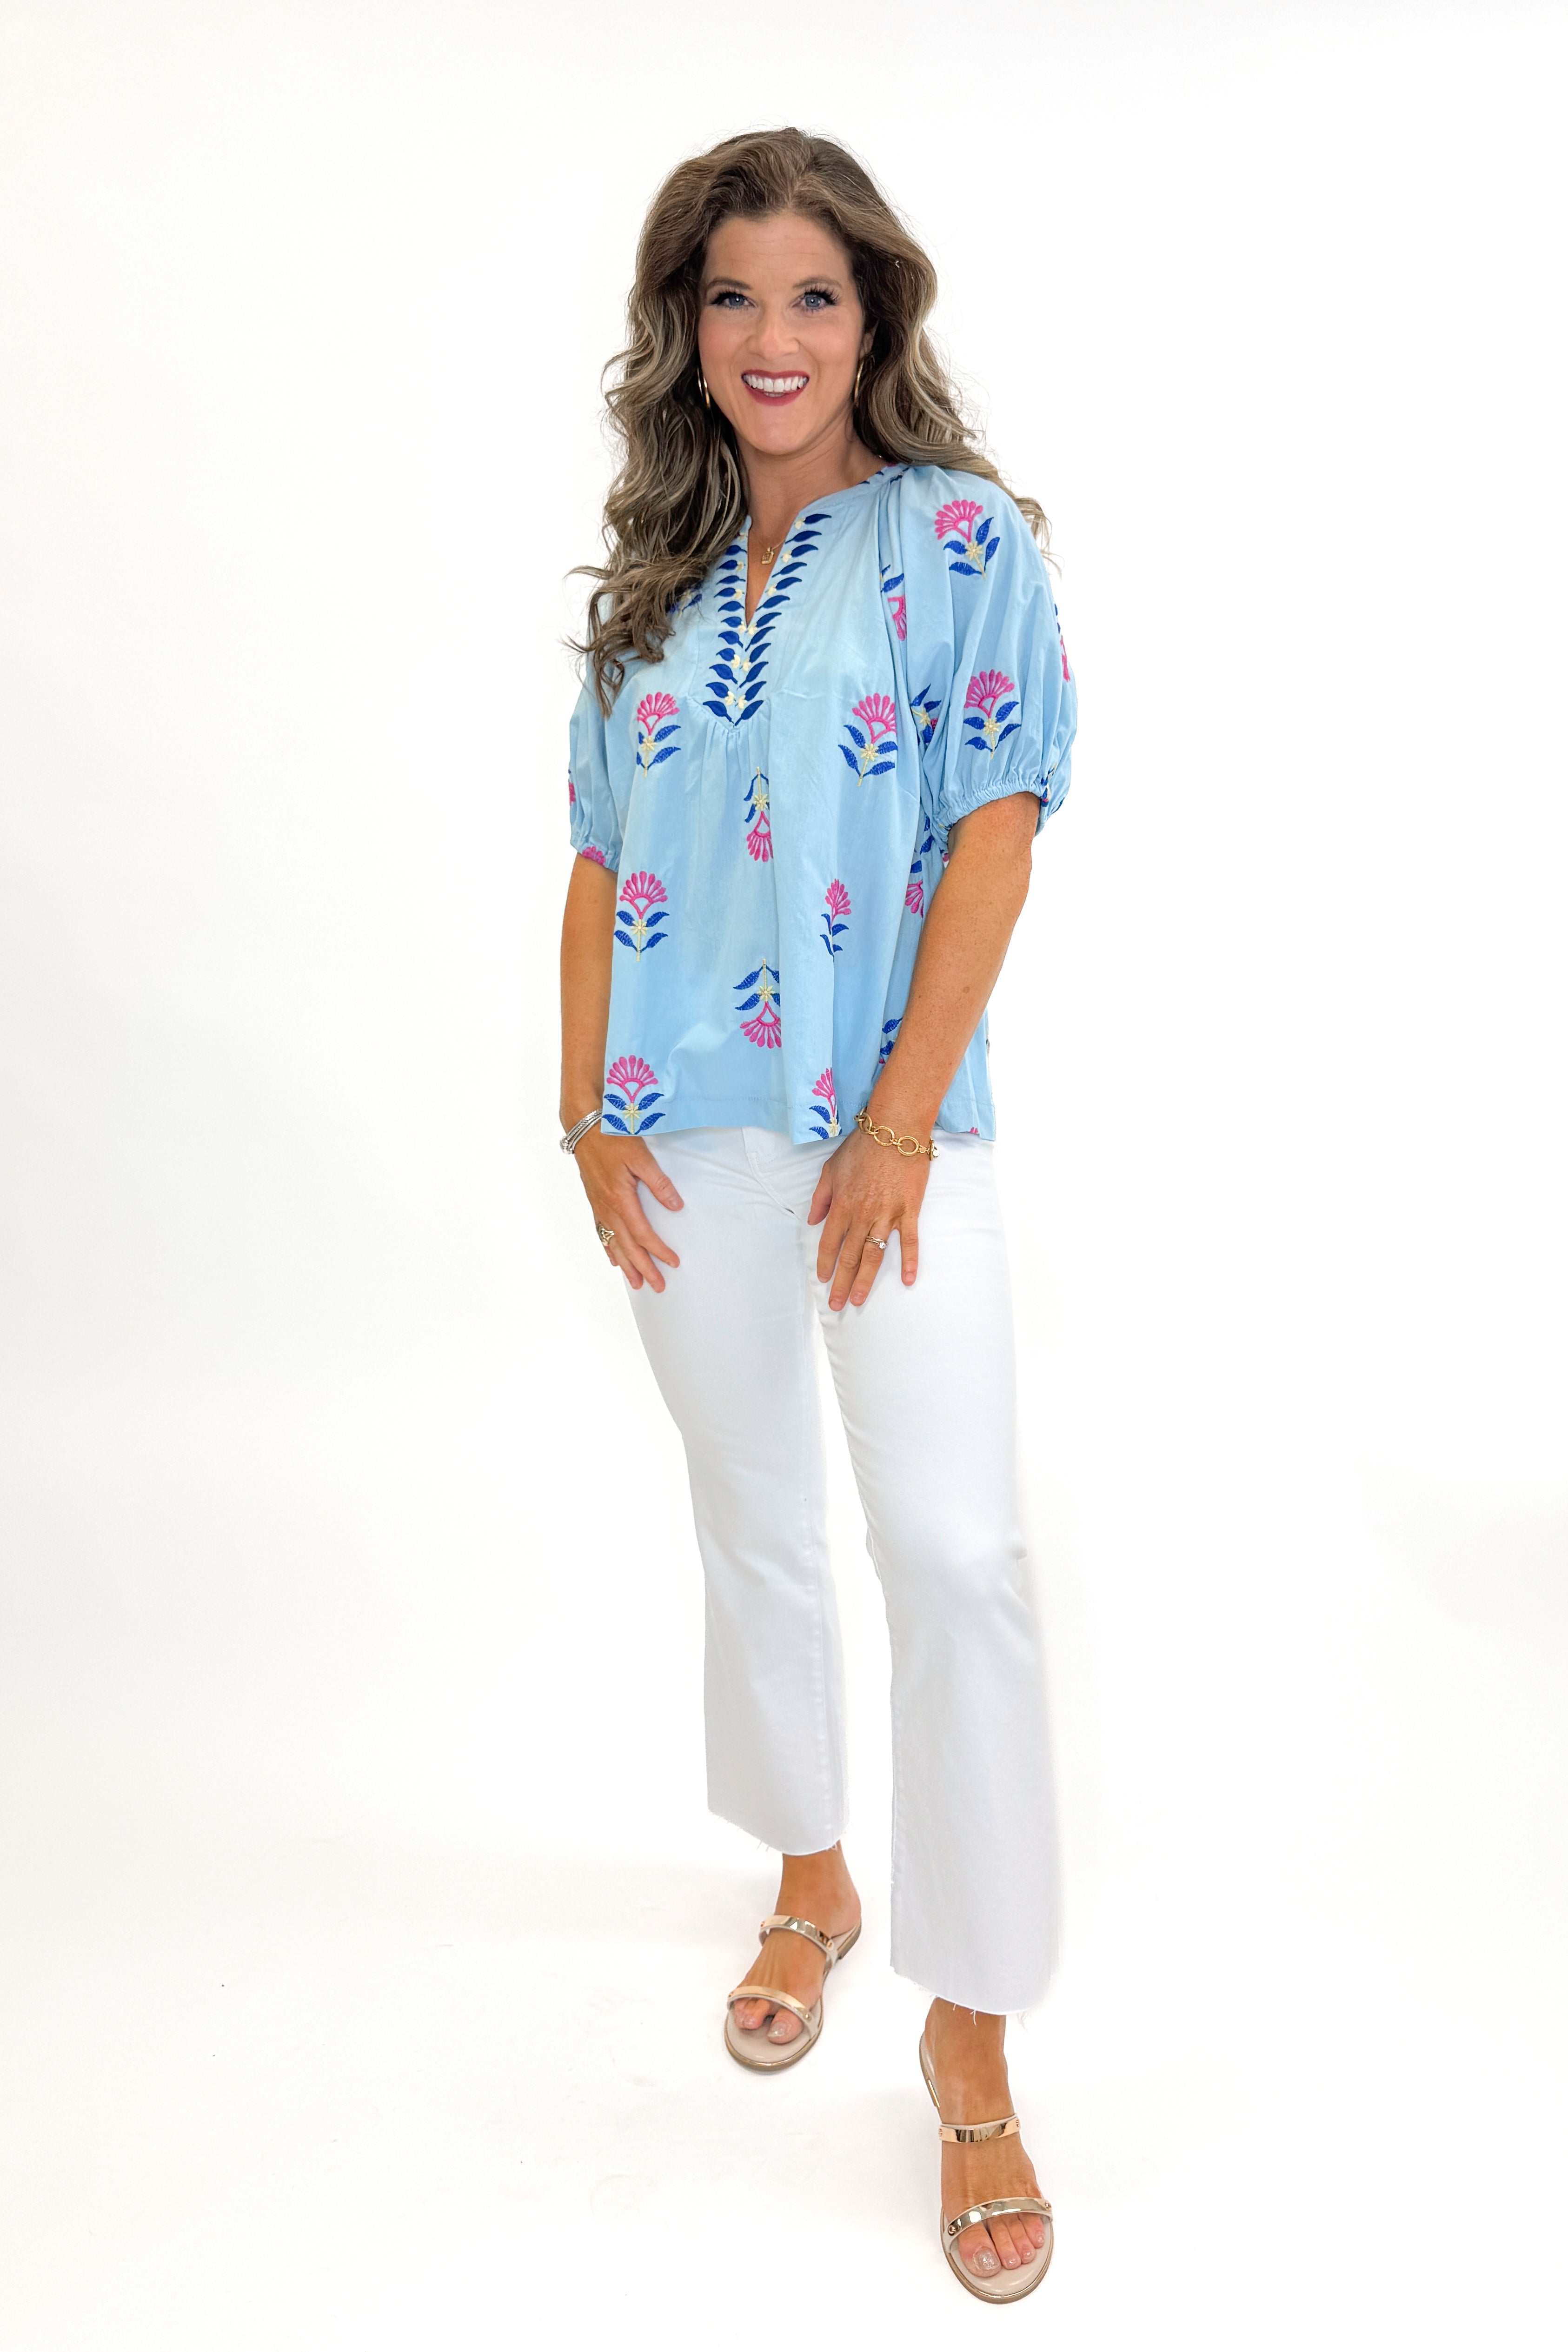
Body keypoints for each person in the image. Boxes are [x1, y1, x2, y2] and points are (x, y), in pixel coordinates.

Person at [557, 127, 1077, 2302]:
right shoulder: (658, 583)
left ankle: (969, 2025)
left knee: (955, 1551)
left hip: (892, 1137)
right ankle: (810, 1870)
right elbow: (596, 849)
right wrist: (586, 1109)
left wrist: (888, 1125)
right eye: (734, 295)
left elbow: (997, 828)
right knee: (752, 1511)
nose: (773, 338)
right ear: (689, 326)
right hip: (686, 1125)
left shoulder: (962, 543)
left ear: (877, 319)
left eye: (816, 296)